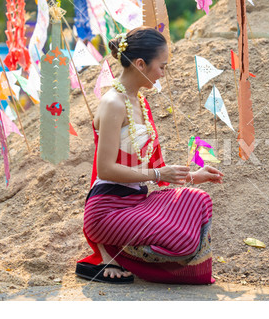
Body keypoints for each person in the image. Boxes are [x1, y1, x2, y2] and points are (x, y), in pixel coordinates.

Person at [75, 27, 224, 284]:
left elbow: (155, 165)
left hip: (137, 200)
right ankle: (111, 253)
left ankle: (121, 251)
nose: (163, 74)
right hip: (108, 210)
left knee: (200, 202)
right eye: (162, 67)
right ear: (141, 64)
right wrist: (157, 175)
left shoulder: (139, 101)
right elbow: (105, 170)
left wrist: (192, 176)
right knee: (184, 240)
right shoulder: (113, 103)